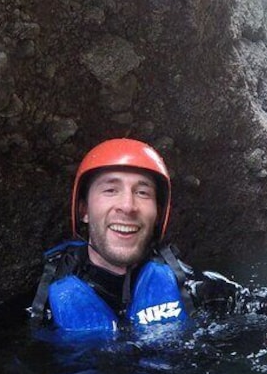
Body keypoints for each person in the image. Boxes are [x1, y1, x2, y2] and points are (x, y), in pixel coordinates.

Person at [29, 138, 241, 334]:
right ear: (84, 211)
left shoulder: (200, 291)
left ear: (158, 214)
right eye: (111, 190)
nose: (127, 206)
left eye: (142, 193)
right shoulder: (41, 304)